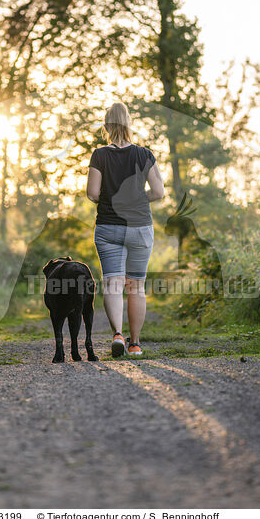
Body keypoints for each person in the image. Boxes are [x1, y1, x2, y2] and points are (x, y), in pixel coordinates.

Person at [86, 102, 164, 357]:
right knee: (136, 287)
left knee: (112, 284)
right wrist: (137, 200)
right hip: (140, 226)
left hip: (108, 226)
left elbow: (93, 193)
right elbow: (159, 192)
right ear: (129, 124)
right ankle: (135, 343)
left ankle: (117, 334)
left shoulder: (100, 155)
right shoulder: (144, 154)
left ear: (106, 126)